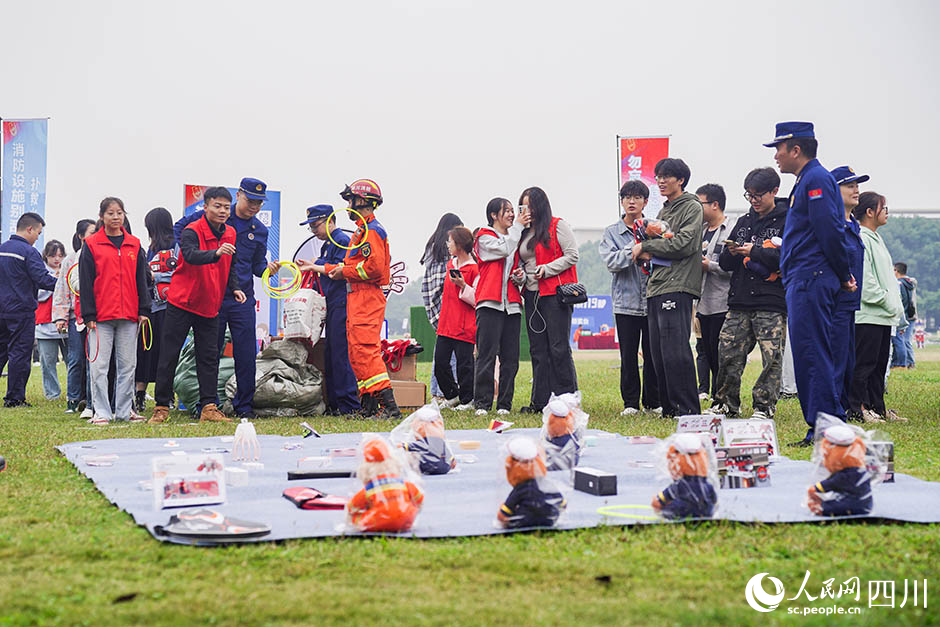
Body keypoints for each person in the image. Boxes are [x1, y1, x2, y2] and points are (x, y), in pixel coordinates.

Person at [765, 121, 855, 446]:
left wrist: (844, 274)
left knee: (812, 354)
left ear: (796, 149)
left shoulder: (816, 179)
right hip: (804, 277)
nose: (776, 155)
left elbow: (829, 230)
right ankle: (824, 425)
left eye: (779, 148)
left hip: (811, 278)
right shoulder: (807, 180)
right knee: (811, 353)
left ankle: (825, 429)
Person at [175, 178, 277, 418]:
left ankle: (244, 406)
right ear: (239, 195)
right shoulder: (216, 217)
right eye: (250, 200)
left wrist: (268, 270)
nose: (254, 207)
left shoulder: (259, 230)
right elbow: (180, 229)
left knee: (246, 354)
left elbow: (257, 266)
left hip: (242, 300)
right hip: (213, 296)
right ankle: (206, 405)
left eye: (259, 203)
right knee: (209, 352)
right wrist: (195, 256)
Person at [150, 187, 244, 424]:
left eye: (225, 207)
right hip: (182, 302)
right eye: (217, 206)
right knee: (169, 355)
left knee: (209, 357)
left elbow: (230, 263)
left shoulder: (231, 233)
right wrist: (216, 252)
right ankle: (161, 407)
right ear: (205, 207)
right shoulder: (192, 231)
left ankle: (209, 408)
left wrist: (235, 287)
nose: (222, 211)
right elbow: (191, 256)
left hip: (210, 304)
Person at [708, 167, 788, 419]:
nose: (753, 200)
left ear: (774, 191)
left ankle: (764, 406)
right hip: (739, 299)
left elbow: (787, 258)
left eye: (758, 195)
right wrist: (731, 253)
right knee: (728, 352)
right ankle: (725, 403)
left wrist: (754, 252)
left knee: (771, 356)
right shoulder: (742, 222)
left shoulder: (789, 221)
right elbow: (724, 264)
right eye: (749, 195)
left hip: (770, 300)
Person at [322, 179, 401, 420]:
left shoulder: (372, 231)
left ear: (363, 201)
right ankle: (368, 407)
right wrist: (336, 269)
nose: (347, 206)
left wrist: (344, 272)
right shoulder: (361, 230)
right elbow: (355, 265)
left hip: (367, 296)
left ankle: (390, 407)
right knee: (357, 352)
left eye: (351, 200)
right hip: (357, 296)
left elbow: (374, 269)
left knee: (366, 351)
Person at [632, 158, 703, 418]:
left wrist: (646, 247)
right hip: (657, 285)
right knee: (658, 354)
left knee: (675, 350)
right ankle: (670, 409)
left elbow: (684, 244)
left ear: (681, 180)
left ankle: (688, 410)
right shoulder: (664, 211)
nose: (660, 181)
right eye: (658, 176)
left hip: (678, 285)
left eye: (667, 176)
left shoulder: (692, 207)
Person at [78, 198, 151, 424]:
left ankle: (124, 410)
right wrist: (88, 315)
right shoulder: (91, 244)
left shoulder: (134, 244)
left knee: (128, 366)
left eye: (120, 213)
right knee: (99, 366)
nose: (116, 217)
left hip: (129, 315)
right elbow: (86, 281)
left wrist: (144, 309)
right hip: (100, 317)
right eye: (111, 213)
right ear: (102, 216)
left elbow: (142, 279)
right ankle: (101, 411)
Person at [600, 180, 661, 415]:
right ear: (622, 201)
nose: (631, 201)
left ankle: (653, 402)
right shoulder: (612, 232)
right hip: (625, 302)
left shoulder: (655, 228)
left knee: (653, 354)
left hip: (652, 298)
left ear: (646, 201)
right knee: (628, 355)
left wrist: (648, 242)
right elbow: (612, 262)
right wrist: (635, 248)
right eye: (627, 197)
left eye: (637, 197)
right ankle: (631, 403)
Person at [517, 186, 579, 413]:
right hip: (531, 294)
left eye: (531, 206)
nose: (527, 211)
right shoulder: (523, 232)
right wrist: (521, 275)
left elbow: (572, 255)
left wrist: (547, 269)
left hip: (555, 293)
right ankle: (540, 402)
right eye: (523, 206)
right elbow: (523, 262)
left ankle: (567, 400)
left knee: (558, 347)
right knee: (538, 349)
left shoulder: (557, 225)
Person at [296, 204, 360, 415]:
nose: (314, 231)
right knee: (332, 353)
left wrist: (316, 264)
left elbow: (340, 270)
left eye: (316, 225)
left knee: (341, 355)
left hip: (343, 302)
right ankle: (334, 403)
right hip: (332, 302)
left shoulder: (341, 241)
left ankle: (348, 405)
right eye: (311, 227)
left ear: (330, 221)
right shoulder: (328, 244)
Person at [848, 192, 906, 423]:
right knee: (864, 365)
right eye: (884, 207)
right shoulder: (861, 237)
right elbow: (866, 280)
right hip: (868, 314)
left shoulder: (876, 238)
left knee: (879, 366)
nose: (887, 212)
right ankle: (857, 408)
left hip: (883, 316)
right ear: (870, 212)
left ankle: (877, 408)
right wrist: (885, 298)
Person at [473, 197, 526, 416]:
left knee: (510, 358)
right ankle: (482, 404)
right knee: (486, 354)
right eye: (508, 211)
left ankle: (505, 404)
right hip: (489, 302)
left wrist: (520, 276)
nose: (513, 215)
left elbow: (515, 262)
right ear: (494, 215)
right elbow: (502, 250)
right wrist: (519, 228)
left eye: (514, 211)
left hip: (512, 304)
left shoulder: (513, 239)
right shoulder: (484, 236)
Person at [0, 213, 59, 407]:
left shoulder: (3, 249)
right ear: (30, 229)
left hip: (2, 309)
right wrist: (63, 285)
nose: (37, 238)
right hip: (21, 310)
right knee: (19, 353)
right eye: (38, 233)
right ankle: (14, 398)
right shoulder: (28, 251)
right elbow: (42, 279)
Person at [829, 166, 868, 415]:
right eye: (849, 185)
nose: (856, 190)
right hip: (835, 303)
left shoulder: (852, 224)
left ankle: (844, 408)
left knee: (848, 362)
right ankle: (831, 411)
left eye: (857, 185)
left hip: (850, 304)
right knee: (835, 362)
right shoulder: (831, 224)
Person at [134, 208, 178, 414]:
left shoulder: (177, 246)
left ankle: (166, 395)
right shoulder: (148, 250)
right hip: (150, 308)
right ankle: (139, 395)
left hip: (171, 307)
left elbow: (179, 273)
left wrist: (157, 277)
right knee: (145, 352)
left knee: (166, 353)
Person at [53, 219, 96, 414]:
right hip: (73, 317)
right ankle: (73, 399)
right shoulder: (71, 259)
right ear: (80, 236)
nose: (94, 236)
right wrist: (60, 316)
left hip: (94, 316)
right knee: (75, 358)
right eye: (91, 233)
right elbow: (61, 288)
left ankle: (89, 400)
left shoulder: (98, 256)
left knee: (92, 360)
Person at [434, 226, 479, 410]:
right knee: (440, 363)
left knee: (465, 366)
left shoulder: (475, 269)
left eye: (450, 241)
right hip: (446, 323)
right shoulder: (450, 265)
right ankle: (452, 395)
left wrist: (463, 285)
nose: (448, 245)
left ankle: (468, 400)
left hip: (465, 325)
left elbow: (478, 298)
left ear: (459, 244)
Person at [419, 213, 463, 399]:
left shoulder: (432, 246)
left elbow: (431, 280)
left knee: (441, 350)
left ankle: (437, 392)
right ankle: (446, 392)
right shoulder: (448, 248)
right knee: (450, 351)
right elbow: (449, 277)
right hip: (448, 303)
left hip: (434, 302)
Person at [694, 183, 732, 400]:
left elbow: (735, 269)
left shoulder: (731, 230)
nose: (698, 209)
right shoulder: (700, 232)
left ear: (715, 205)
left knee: (722, 356)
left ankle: (723, 397)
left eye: (701, 204)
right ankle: (710, 392)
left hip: (722, 302)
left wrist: (711, 266)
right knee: (705, 351)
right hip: (701, 303)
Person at [35, 240, 67, 400]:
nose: (57, 259)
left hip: (66, 323)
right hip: (45, 323)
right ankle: (52, 394)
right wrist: (54, 282)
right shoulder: (40, 271)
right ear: (46, 256)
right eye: (53, 255)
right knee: (48, 362)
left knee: (73, 360)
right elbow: (38, 295)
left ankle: (75, 392)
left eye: (60, 255)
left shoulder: (68, 270)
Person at [891, 262, 917, 369]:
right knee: (903, 340)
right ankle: (903, 362)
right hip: (909, 314)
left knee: (899, 340)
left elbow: (899, 301)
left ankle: (900, 363)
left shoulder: (899, 284)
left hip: (902, 315)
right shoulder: (909, 283)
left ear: (896, 271)